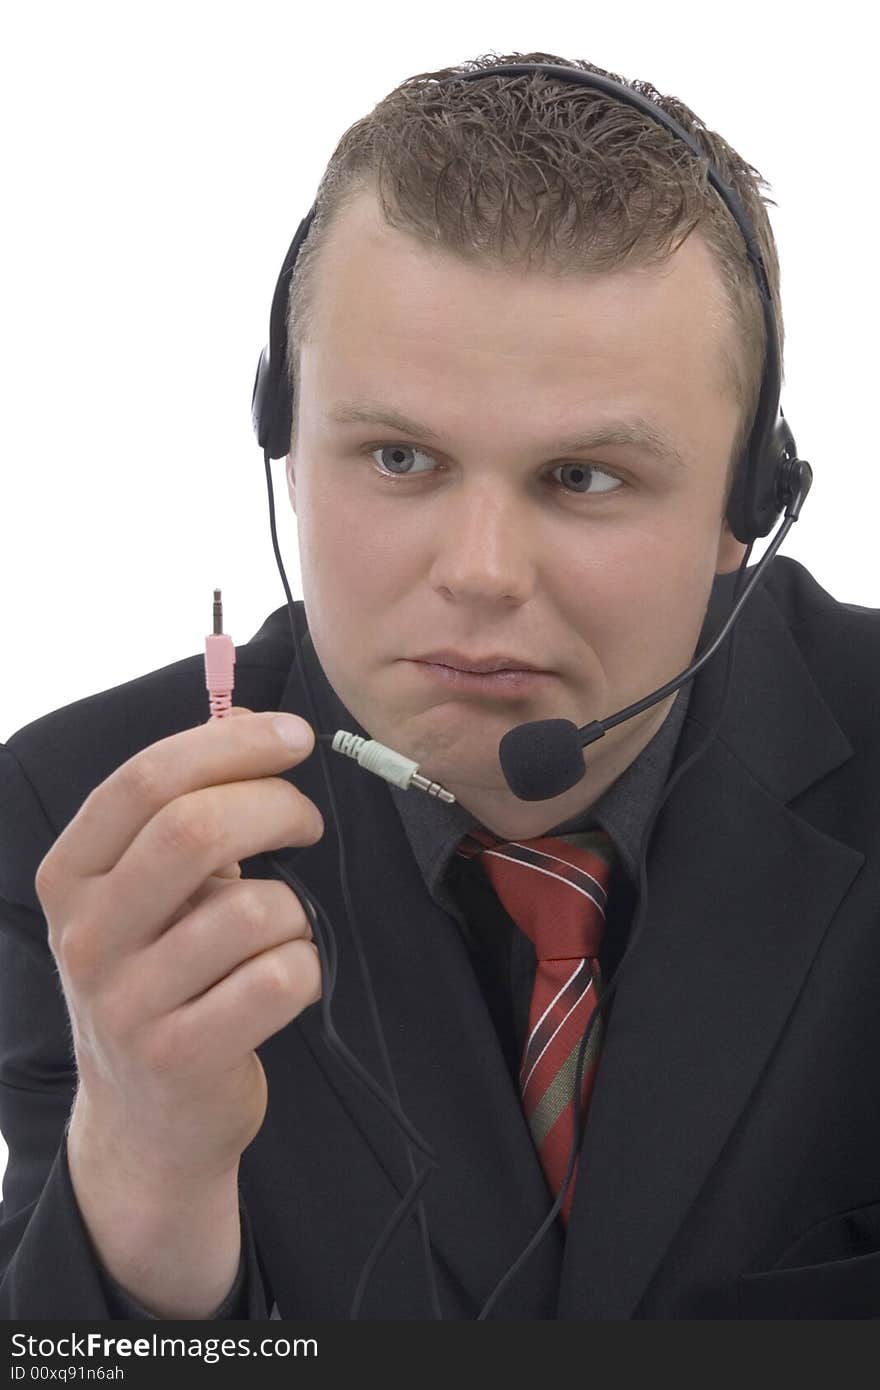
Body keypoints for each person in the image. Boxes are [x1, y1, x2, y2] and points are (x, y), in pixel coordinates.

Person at [1, 50, 879, 1322]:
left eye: (583, 477)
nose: (478, 576)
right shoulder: (83, 825)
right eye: (399, 455)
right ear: (286, 448)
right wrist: (145, 1165)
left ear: (750, 507)